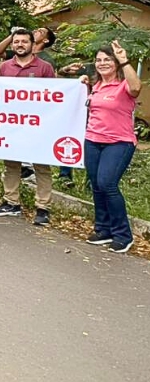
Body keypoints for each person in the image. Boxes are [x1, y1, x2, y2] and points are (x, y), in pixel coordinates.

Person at [0, 29, 57, 225]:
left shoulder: (45, 68)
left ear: (32, 44)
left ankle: (43, 208)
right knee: (11, 165)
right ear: (12, 45)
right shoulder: (4, 67)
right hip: (11, 125)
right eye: (16, 41)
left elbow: (55, 95)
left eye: (24, 41)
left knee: (41, 167)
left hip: (37, 125)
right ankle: (11, 203)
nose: (20, 45)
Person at [81, 41, 142, 254]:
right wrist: (82, 84)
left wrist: (124, 59)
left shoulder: (124, 86)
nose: (102, 63)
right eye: (99, 60)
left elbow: (136, 87)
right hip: (92, 140)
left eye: (108, 59)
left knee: (107, 184)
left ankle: (123, 235)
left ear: (116, 63)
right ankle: (103, 230)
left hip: (119, 142)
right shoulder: (95, 86)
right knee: (96, 185)